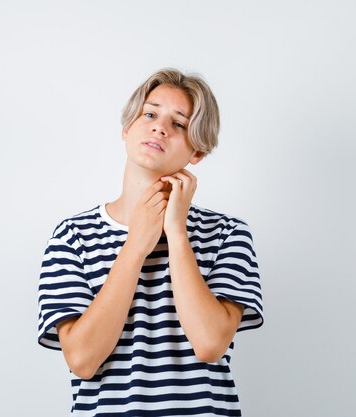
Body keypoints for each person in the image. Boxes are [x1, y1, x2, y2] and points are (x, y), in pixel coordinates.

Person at [37, 68, 264, 416]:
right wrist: (135, 246)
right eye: (150, 114)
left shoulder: (228, 234)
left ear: (197, 151)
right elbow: (82, 360)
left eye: (179, 124)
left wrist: (176, 231)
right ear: (127, 128)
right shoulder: (72, 236)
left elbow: (210, 344)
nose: (160, 127)